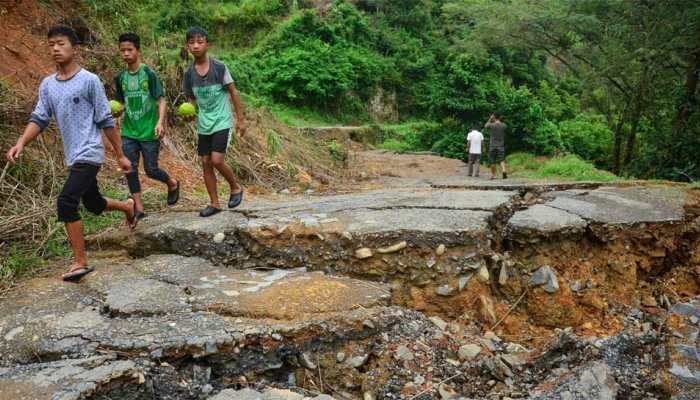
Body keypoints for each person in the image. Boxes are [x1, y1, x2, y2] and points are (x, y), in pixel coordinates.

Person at [5, 25, 137, 282]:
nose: (55, 48)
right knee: (93, 203)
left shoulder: (89, 80)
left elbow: (105, 119)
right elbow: (40, 117)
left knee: (66, 201)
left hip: (90, 151)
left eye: (61, 43)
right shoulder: (48, 85)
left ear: (75, 49)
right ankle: (127, 206)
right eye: (51, 44)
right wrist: (21, 142)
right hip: (72, 155)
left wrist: (120, 154)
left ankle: (80, 262)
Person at [113, 32, 180, 220]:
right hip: (129, 131)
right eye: (122, 50)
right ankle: (139, 207)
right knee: (130, 168)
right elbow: (121, 102)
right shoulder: (120, 77)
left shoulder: (148, 73)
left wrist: (160, 122)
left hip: (149, 130)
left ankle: (172, 183)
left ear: (138, 51)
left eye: (129, 50)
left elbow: (161, 99)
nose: (126, 54)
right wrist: (117, 111)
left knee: (151, 169)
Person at [182, 26, 247, 217]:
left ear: (207, 44)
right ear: (187, 46)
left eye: (200, 42)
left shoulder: (219, 67)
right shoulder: (189, 74)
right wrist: (190, 113)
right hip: (204, 124)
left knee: (217, 160)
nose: (195, 46)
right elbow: (191, 101)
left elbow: (233, 92)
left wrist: (240, 119)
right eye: (192, 42)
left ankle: (235, 187)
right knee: (205, 162)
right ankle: (214, 203)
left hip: (222, 121)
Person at [485, 113, 508, 179]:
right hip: (501, 146)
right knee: (502, 160)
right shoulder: (504, 125)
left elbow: (485, 126)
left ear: (494, 117)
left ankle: (494, 175)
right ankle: (504, 171)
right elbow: (504, 126)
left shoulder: (491, 125)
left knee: (492, 161)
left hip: (492, 146)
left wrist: (490, 119)